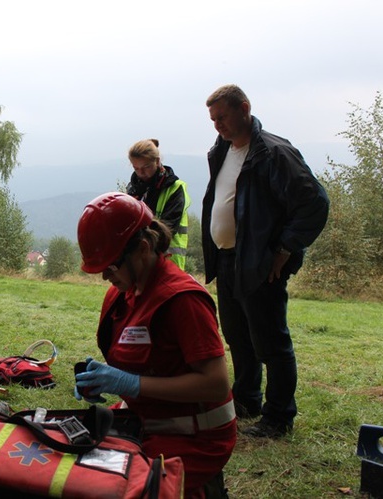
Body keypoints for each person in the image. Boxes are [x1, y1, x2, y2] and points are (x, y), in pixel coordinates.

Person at [74, 192, 236, 499]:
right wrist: (105, 380)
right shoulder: (123, 294)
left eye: (111, 267)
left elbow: (215, 385)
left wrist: (132, 383)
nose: (106, 277)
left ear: (143, 249)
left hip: (196, 437)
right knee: (76, 464)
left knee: (122, 488)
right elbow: (143, 361)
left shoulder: (182, 300)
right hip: (146, 421)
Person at [203, 84, 329, 438]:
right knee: (238, 338)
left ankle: (278, 417)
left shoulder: (274, 152)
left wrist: (285, 249)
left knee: (271, 343)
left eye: (222, 117)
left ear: (244, 108)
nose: (218, 126)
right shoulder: (223, 149)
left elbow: (314, 204)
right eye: (212, 120)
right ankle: (245, 401)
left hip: (260, 263)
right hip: (228, 262)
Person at [126, 138, 191, 270]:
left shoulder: (175, 188)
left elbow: (167, 229)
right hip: (140, 263)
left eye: (146, 167)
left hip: (168, 262)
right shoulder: (133, 189)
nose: (141, 173)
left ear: (157, 161)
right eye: (136, 168)